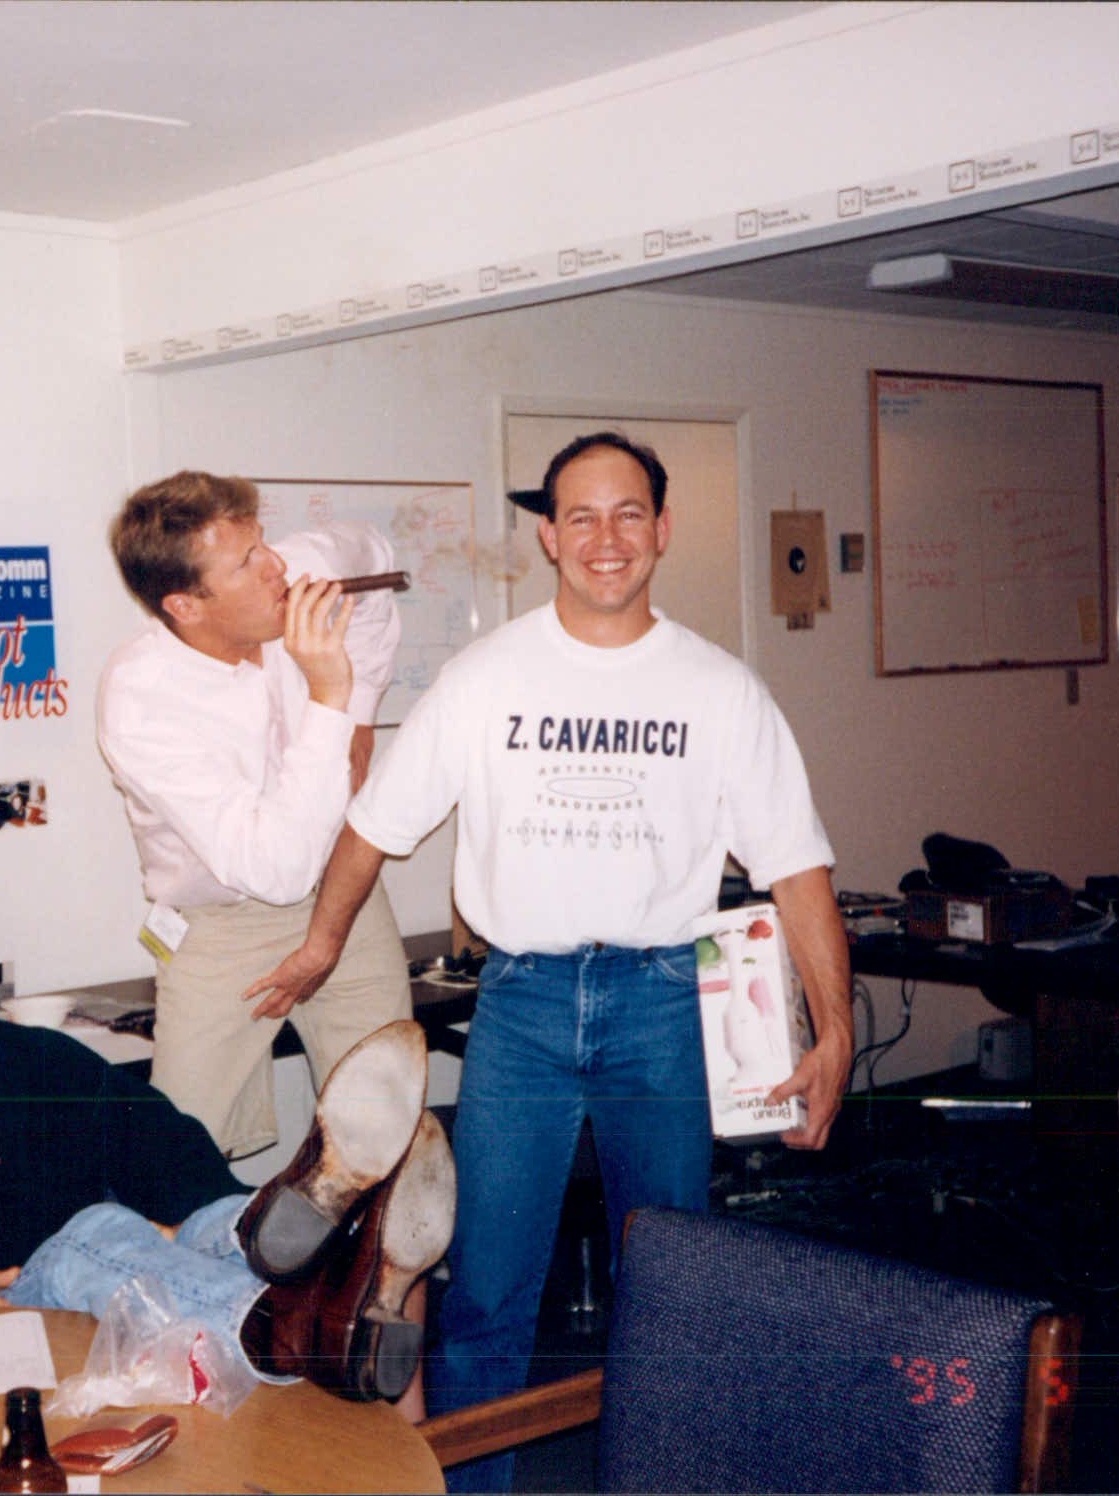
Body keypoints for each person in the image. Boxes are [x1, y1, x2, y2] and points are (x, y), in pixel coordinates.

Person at [245, 433, 854, 1487]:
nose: (605, 539)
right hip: (522, 1011)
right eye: (581, 516)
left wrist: (836, 1030)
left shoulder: (719, 688)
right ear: (548, 536)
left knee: (669, 1282)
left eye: (628, 514)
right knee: (485, 1288)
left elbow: (797, 867)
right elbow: (375, 824)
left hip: (664, 1002)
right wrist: (318, 944)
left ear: (662, 530)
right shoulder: (488, 679)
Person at [0, 852, 453, 1405]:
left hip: (93, 1318)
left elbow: (166, 1148)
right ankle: (312, 1326)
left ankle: (308, 1253)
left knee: (209, 1217)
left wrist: (201, 1220)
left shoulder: (47, 1061)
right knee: (97, 1230)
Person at [97, 471, 412, 1159]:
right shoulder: (140, 699)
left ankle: (382, 1269)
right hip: (224, 921)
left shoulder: (293, 568)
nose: (278, 569)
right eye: (246, 564)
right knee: (181, 1152)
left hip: (345, 890)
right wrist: (332, 697)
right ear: (184, 604)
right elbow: (274, 869)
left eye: (263, 543)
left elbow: (378, 557)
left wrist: (360, 715)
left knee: (386, 1136)